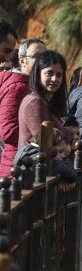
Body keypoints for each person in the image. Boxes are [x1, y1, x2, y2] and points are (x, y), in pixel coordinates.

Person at [0, 38, 47, 177]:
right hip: (17, 167)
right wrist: (41, 141)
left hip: (26, 162)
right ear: (22, 61)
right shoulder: (18, 87)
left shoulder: (32, 85)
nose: (43, 61)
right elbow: (8, 130)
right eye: (37, 57)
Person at [18, 50, 68, 147]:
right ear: (38, 74)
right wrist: (68, 133)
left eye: (59, 75)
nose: (54, 79)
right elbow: (44, 141)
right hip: (35, 161)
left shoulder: (46, 101)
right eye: (49, 73)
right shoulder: (34, 102)